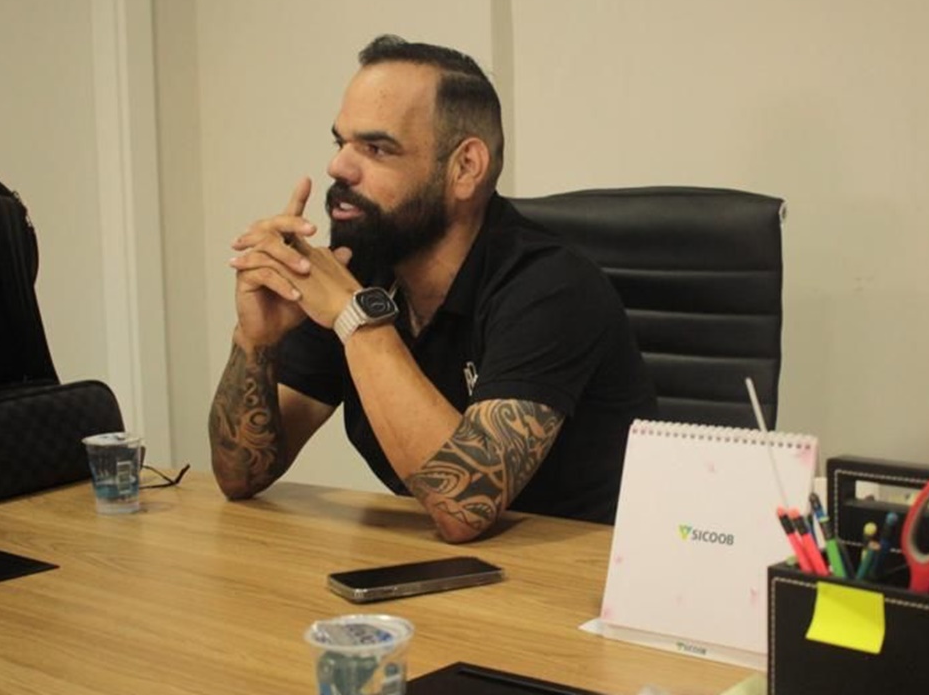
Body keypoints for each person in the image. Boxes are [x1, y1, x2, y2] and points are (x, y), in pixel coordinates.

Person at [208, 35, 657, 543]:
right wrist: (256, 342)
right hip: (446, 577)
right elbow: (241, 475)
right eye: (341, 143)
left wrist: (354, 319)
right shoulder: (360, 272)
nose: (339, 168)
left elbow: (464, 508)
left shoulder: (551, 285)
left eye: (376, 148)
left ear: (465, 168)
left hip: (579, 589)